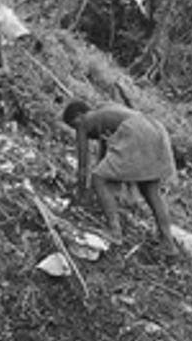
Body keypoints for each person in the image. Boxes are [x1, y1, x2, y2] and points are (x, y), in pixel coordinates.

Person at [62, 99, 179, 255]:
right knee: (151, 191)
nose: (77, 131)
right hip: (155, 129)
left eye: (74, 126)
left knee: (97, 177)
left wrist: (80, 194)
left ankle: (114, 232)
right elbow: (105, 160)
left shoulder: (85, 121)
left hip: (136, 131)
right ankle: (168, 244)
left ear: (79, 116)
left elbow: (84, 165)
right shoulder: (105, 113)